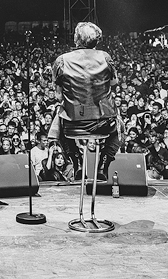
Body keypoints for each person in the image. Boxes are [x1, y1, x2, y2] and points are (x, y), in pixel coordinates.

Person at [49, 22, 120, 181]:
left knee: (59, 127)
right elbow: (114, 82)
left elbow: (58, 96)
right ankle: (104, 163)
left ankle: (76, 161)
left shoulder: (61, 60)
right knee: (119, 129)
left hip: (73, 124)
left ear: (76, 39)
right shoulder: (105, 57)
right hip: (103, 122)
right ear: (96, 40)